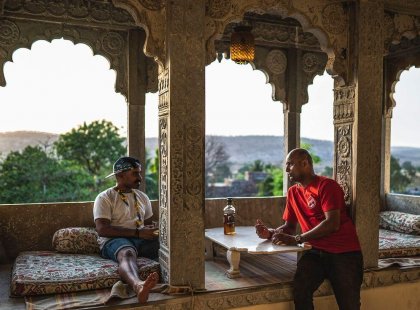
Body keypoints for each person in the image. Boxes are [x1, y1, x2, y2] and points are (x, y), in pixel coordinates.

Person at [255, 148, 363, 310]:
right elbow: (289, 227)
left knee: (349, 306)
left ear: (305, 163)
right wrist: (271, 233)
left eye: (290, 165)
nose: (286, 170)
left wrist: (298, 239)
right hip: (315, 253)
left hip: (344, 254)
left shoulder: (327, 186)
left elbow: (332, 223)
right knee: (300, 291)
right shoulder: (293, 193)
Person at [93, 156, 160, 303]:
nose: (140, 177)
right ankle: (138, 285)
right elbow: (102, 229)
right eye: (135, 173)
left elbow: (147, 224)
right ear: (120, 175)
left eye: (140, 173)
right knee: (127, 253)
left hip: (141, 239)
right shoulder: (105, 197)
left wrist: (152, 231)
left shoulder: (142, 197)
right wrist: (137, 233)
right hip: (114, 240)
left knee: (168, 244)